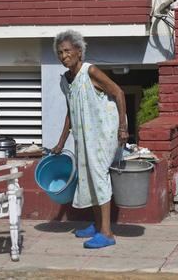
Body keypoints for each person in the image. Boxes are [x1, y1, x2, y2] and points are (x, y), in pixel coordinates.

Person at [51, 29, 128, 249]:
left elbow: (119, 93)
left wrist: (123, 128)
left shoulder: (90, 71)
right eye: (60, 53)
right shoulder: (65, 80)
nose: (64, 56)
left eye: (67, 51)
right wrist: (60, 142)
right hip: (84, 134)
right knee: (88, 176)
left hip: (104, 131)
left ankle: (107, 233)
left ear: (78, 51)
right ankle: (97, 225)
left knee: (98, 175)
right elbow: (70, 111)